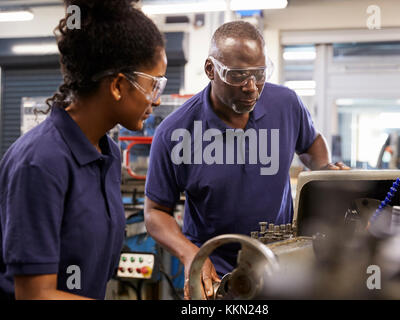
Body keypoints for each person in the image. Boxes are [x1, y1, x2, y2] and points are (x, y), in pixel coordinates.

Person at [144, 20, 349, 300]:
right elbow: (155, 213)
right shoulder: (175, 133)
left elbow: (312, 142)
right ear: (210, 70)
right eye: (238, 75)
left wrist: (324, 171)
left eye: (260, 73)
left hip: (280, 264)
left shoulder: (286, 105)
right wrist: (191, 254)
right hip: (215, 276)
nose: (252, 87)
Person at [0, 0, 167, 300]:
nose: (156, 100)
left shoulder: (109, 155)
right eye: (153, 84)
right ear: (117, 85)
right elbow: (35, 295)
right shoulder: (40, 162)